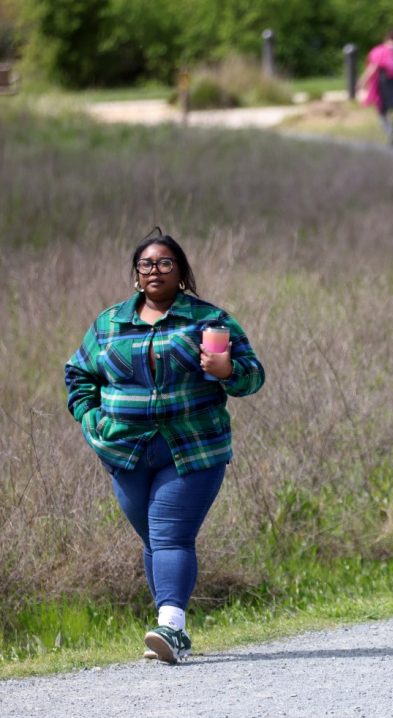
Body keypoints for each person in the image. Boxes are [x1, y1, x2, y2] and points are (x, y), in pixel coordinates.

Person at [65, 228, 265, 664]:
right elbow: (78, 375)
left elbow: (253, 376)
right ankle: (170, 625)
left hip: (191, 449)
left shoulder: (209, 320)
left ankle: (171, 627)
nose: (155, 270)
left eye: (165, 263)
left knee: (171, 535)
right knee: (155, 540)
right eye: (147, 264)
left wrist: (227, 368)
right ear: (137, 275)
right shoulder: (109, 323)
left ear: (181, 272)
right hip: (124, 451)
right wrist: (90, 418)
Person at [358, 30, 393, 147]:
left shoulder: (381, 51)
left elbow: (373, 68)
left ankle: (390, 132)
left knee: (381, 113)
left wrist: (362, 82)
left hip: (384, 88)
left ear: (386, 39)